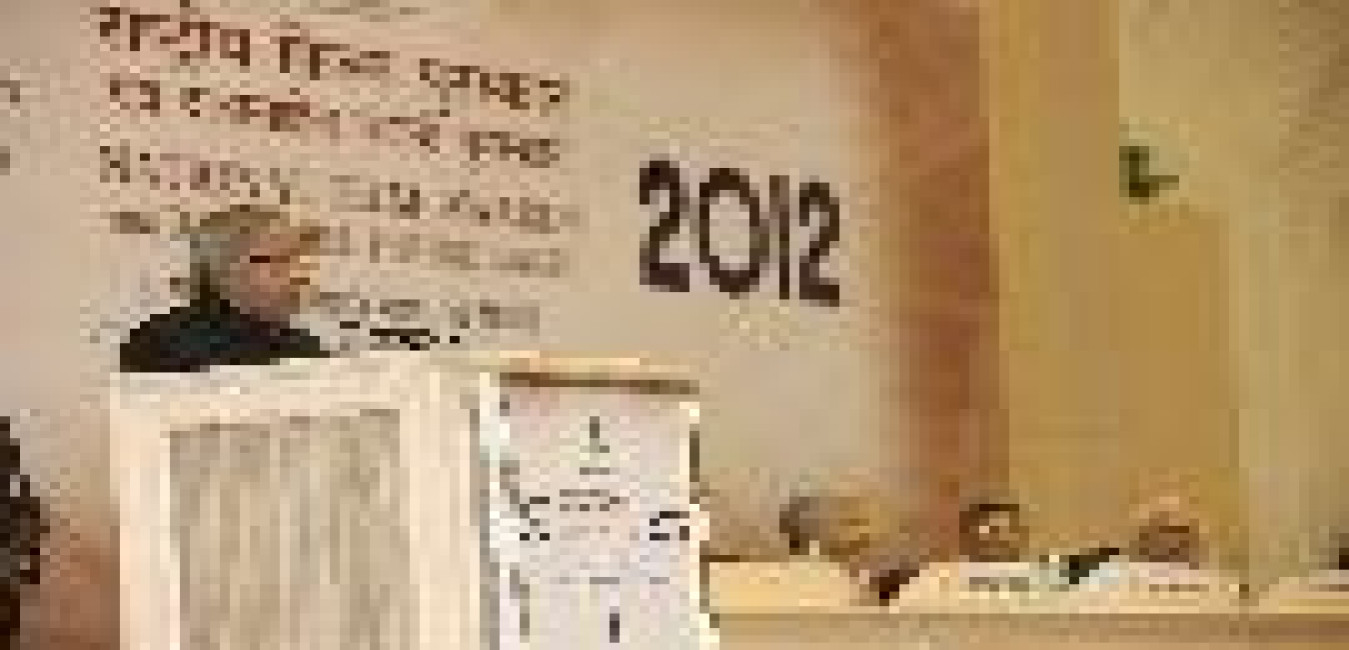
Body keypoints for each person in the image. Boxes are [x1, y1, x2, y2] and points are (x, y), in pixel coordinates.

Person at [119, 204, 328, 373]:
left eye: (296, 259)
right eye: (279, 260)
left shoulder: (304, 347)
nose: (296, 273)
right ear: (224, 269)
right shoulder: (159, 345)